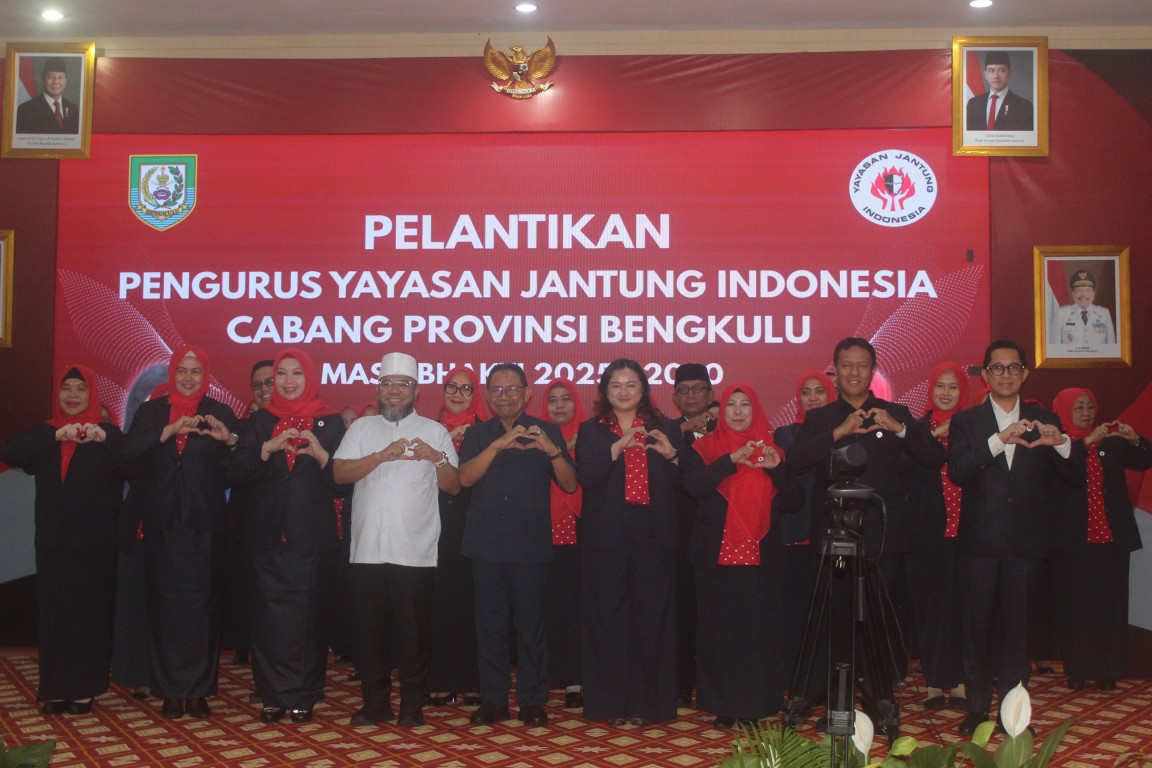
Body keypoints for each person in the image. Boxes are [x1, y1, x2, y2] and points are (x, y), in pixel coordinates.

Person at [787, 337, 944, 705]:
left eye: (862, 365)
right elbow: (795, 460)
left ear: (873, 371)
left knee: (876, 620)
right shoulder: (821, 418)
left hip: (883, 536)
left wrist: (900, 429)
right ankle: (834, 698)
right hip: (834, 534)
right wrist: (837, 432)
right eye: (846, 365)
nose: (854, 372)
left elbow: (935, 457)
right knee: (836, 617)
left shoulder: (895, 412)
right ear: (835, 371)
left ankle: (877, 697)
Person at [947, 340, 1083, 736]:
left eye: (1013, 368)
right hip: (979, 544)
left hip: (1026, 543)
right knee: (976, 629)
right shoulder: (967, 421)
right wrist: (998, 440)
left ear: (1024, 374)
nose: (1005, 375)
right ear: (986, 375)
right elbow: (958, 470)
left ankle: (1013, 715)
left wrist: (1062, 444)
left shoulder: (1045, 418)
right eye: (997, 368)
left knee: (1018, 632)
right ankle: (976, 711)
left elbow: (1074, 476)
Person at [334, 352, 461, 728]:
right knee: (369, 633)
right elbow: (340, 474)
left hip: (414, 550)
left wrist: (437, 458)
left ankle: (411, 703)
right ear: (378, 388)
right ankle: (375, 703)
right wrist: (380, 457)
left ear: (416, 391)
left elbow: (454, 486)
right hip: (367, 549)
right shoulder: (362, 429)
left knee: (413, 633)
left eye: (403, 384)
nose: (394, 391)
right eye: (387, 383)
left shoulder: (435, 431)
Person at [121, 345, 240, 720]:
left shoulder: (219, 413)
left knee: (204, 609)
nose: (188, 378)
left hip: (205, 525)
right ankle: (170, 691)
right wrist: (167, 431)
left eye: (196, 371)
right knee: (164, 607)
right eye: (182, 371)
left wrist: (230, 441)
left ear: (205, 376)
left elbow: (239, 469)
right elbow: (128, 454)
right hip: (161, 523)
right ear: (172, 373)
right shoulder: (151, 413)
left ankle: (199, 690)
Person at [229, 349, 348, 723]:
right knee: (267, 618)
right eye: (282, 373)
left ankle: (303, 695)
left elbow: (343, 483)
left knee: (308, 619)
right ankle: (271, 695)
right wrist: (266, 449)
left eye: (297, 373)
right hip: (265, 535)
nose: (289, 380)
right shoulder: (260, 421)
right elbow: (237, 474)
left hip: (312, 537)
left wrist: (323, 456)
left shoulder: (330, 422)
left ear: (309, 377)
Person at [577, 358, 696, 726]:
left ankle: (650, 704)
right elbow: (586, 478)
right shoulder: (591, 431)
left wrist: (672, 456)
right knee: (607, 619)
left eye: (631, 384)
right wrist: (617, 447)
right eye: (616, 385)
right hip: (607, 535)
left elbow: (690, 482)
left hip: (653, 532)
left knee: (652, 617)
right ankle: (609, 704)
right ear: (605, 391)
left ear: (643, 389)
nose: (624, 391)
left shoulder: (665, 428)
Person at [458, 363, 577, 728]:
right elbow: (464, 479)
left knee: (531, 625)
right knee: (490, 626)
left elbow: (570, 484)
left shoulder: (547, 431)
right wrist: (497, 445)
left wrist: (552, 451)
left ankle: (532, 701)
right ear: (487, 395)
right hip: (485, 543)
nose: (504, 396)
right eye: (497, 389)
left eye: (512, 389)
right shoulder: (478, 433)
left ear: (527, 393)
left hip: (529, 544)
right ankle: (493, 700)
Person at [2, 364, 124, 715]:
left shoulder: (106, 434)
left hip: (96, 546)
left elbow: (134, 462)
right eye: (66, 388)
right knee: (54, 616)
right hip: (53, 543)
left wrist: (106, 438)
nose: (72, 395)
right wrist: (56, 436)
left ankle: (84, 690)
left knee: (89, 617)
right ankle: (55, 688)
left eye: (80, 389)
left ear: (92, 395)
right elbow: (11, 452)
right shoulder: (47, 432)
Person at [686, 383, 802, 728]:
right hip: (716, 558)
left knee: (757, 634)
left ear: (756, 411)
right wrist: (729, 461)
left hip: (760, 560)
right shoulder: (705, 448)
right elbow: (693, 486)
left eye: (745, 405)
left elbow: (794, 501)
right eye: (731, 405)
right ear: (721, 412)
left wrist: (776, 467)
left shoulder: (772, 450)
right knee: (719, 632)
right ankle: (723, 704)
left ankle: (754, 704)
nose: (738, 412)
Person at [1050, 388, 1151, 692]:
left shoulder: (1111, 443)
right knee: (1077, 607)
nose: (1086, 413)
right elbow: (1058, 474)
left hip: (1111, 538)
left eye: (1090, 407)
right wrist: (1084, 443)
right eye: (1079, 407)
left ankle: (1108, 671)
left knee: (1111, 606)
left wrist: (1134, 438)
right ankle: (1078, 670)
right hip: (1074, 541)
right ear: (1065, 411)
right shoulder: (1057, 444)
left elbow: (1145, 458)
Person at [905, 362, 970, 710]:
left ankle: (959, 682)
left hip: (968, 531)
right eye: (940, 386)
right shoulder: (916, 429)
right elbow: (905, 468)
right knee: (931, 608)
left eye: (953, 387)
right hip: (926, 532)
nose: (946, 393)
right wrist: (935, 434)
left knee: (963, 607)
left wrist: (956, 430)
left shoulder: (973, 427)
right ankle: (934, 682)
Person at [426, 365, 487, 707]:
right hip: (433, 523)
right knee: (439, 601)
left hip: (474, 522)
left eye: (466, 389)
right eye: (452, 386)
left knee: (474, 602)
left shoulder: (485, 431)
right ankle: (440, 678)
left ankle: (473, 679)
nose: (458, 394)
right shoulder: (429, 429)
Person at [772, 370, 833, 684]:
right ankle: (794, 678)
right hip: (795, 535)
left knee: (829, 612)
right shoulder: (785, 435)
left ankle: (825, 678)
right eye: (806, 392)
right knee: (795, 612)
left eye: (819, 391)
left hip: (831, 534)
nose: (813, 398)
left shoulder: (844, 429)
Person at [668, 363, 718, 708]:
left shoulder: (728, 427)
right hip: (679, 537)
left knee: (715, 615)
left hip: (721, 533)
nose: (691, 396)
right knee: (682, 613)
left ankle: (715, 688)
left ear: (711, 394)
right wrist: (684, 429)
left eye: (698, 388)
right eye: (684, 390)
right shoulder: (667, 432)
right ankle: (682, 685)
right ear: (674, 397)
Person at [222, 358, 274, 666]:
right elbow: (229, 472)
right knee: (247, 591)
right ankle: (246, 647)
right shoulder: (241, 429)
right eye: (258, 385)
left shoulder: (306, 423)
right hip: (245, 522)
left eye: (270, 382)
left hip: (284, 527)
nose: (264, 389)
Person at [541, 378, 587, 709]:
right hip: (542, 533)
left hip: (582, 532)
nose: (559, 405)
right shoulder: (536, 439)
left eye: (566, 399)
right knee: (544, 609)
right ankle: (543, 675)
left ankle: (575, 679)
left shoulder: (591, 438)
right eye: (553, 399)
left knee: (576, 607)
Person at [965, 51, 1035, 132]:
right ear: (986, 75)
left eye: (1002, 70)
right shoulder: (973, 104)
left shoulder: (1024, 107)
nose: (996, 76)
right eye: (991, 71)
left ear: (1009, 74)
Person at [1049, 270, 1117, 347]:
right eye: (1079, 290)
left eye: (1088, 290)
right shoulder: (1061, 315)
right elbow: (1055, 349)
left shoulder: (1104, 314)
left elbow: (1111, 348)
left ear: (1093, 294)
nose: (1083, 295)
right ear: (1073, 294)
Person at [15, 57, 80, 134]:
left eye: (60, 78)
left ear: (66, 80)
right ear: (43, 78)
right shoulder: (26, 110)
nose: (56, 82)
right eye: (50, 77)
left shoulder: (73, 109)